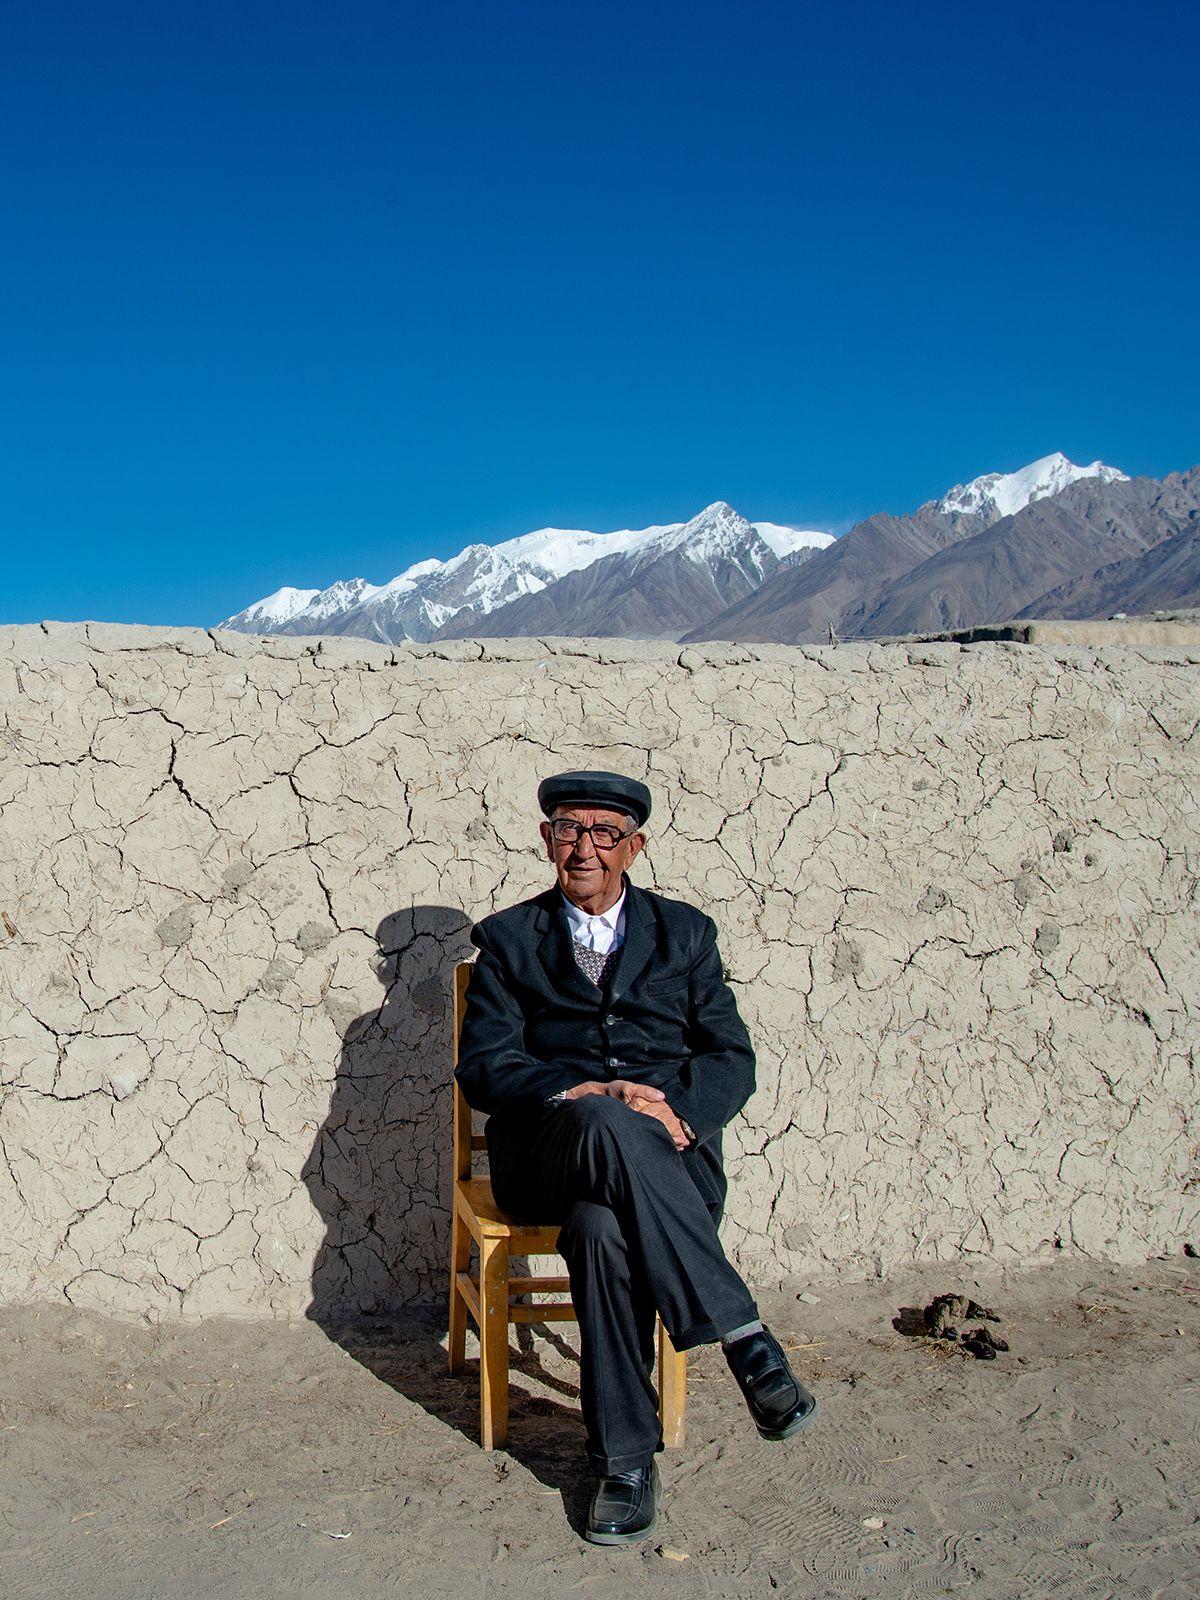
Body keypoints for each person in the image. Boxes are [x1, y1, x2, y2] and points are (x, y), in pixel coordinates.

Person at [454, 769, 819, 1546]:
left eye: (603, 833)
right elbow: (484, 1065)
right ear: (546, 839)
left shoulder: (685, 934)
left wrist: (680, 1113)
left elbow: (731, 1055)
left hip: (669, 1162)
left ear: (634, 848)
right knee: (604, 1122)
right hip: (550, 1156)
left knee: (602, 1233)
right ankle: (744, 1337)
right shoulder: (511, 939)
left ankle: (623, 1462)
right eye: (566, 829)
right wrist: (582, 1088)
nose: (582, 847)